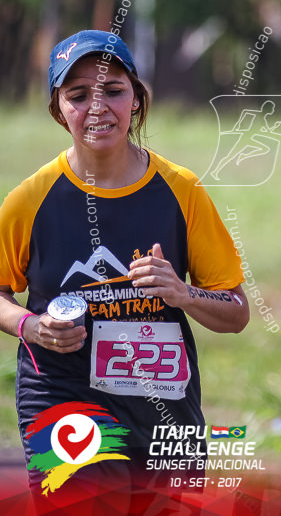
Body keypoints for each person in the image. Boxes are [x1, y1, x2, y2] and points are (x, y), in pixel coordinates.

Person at [0, 30, 249, 506]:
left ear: (136, 98)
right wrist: (31, 326)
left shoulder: (182, 190)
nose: (98, 107)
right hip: (62, 395)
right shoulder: (30, 199)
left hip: (165, 407)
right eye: (78, 96)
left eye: (113, 90)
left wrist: (183, 293)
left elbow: (236, 311)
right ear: (58, 110)